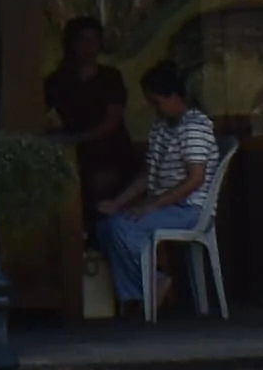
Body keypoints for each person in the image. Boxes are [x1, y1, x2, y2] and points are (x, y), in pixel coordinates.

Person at [97, 61, 230, 318]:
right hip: (165, 205)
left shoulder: (194, 127)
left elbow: (195, 180)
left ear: (174, 96)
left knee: (122, 228)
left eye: (156, 102)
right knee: (105, 227)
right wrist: (117, 202)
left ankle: (147, 289)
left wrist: (151, 206)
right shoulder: (161, 127)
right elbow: (148, 174)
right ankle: (146, 288)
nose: (154, 108)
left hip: (189, 209)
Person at [47, 12, 139, 229]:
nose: (89, 47)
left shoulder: (110, 77)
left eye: (94, 40)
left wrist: (74, 139)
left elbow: (112, 121)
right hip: (72, 159)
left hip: (112, 156)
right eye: (83, 40)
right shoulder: (57, 81)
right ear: (71, 44)